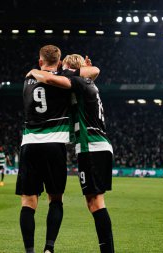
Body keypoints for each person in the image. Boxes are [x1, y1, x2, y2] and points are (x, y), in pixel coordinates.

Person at [27, 54, 115, 253]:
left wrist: (35, 72)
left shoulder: (76, 80)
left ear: (71, 69)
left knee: (96, 203)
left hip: (90, 146)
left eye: (64, 67)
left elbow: (51, 78)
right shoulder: (86, 83)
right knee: (95, 202)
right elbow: (92, 73)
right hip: (98, 145)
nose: (61, 69)